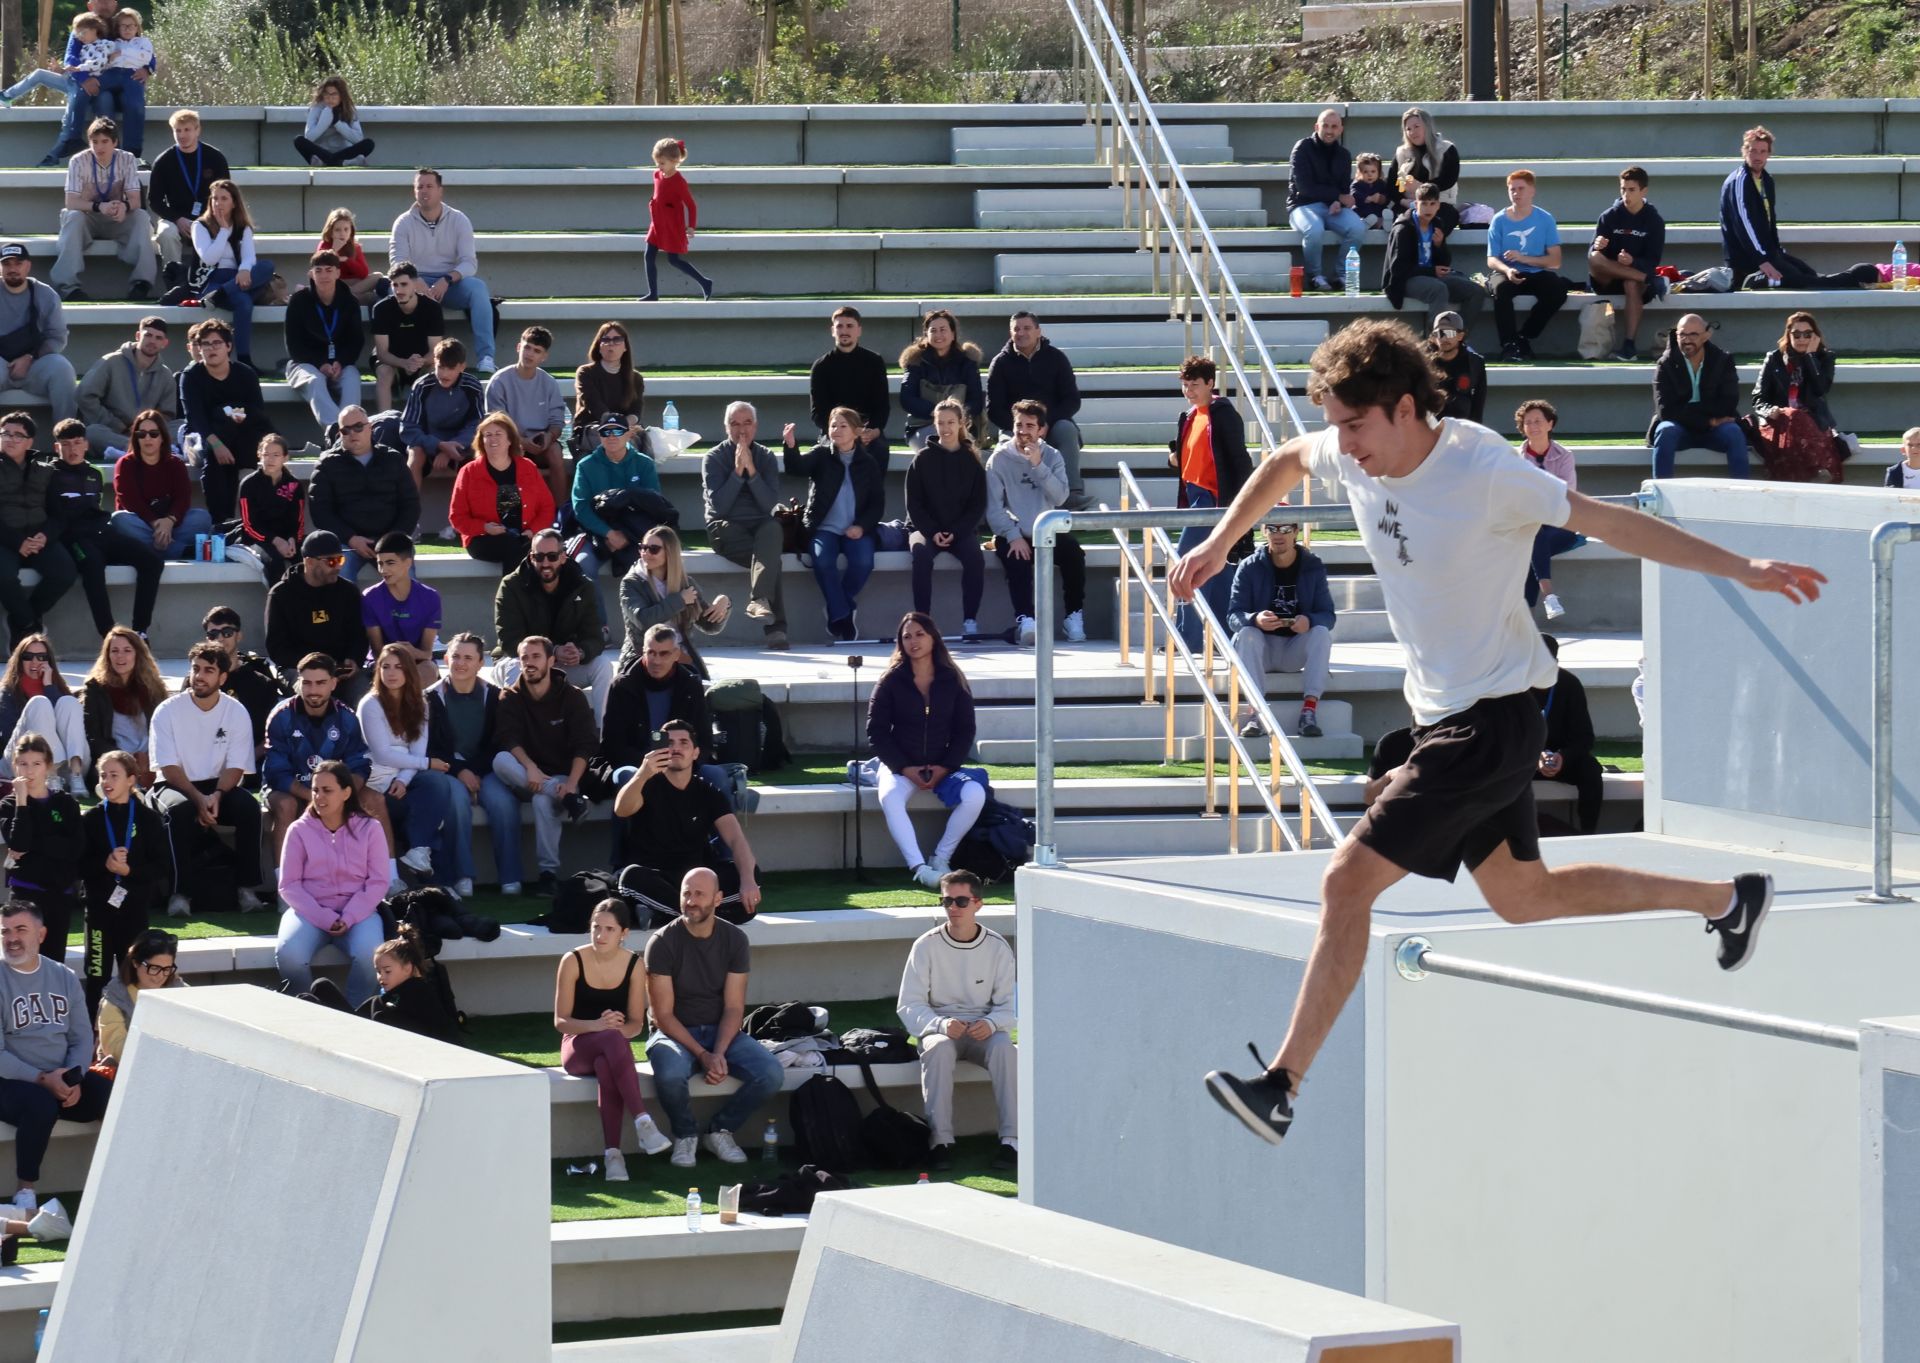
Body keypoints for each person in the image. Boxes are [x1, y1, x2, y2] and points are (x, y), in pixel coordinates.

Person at [1170, 318, 1823, 1146]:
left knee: (1345, 882)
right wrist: (1222, 545)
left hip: (1491, 723)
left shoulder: (1485, 471)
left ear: (1406, 407)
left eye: (1354, 426)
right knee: (1523, 896)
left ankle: (1281, 1085)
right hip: (1444, 713)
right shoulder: (1350, 449)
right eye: (1336, 425)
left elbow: (1611, 523)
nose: (1342, 445)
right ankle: (1729, 900)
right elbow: (1285, 462)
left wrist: (1744, 567)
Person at [643, 866, 783, 1169]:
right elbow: (663, 1015)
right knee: (669, 1074)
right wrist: (703, 1055)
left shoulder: (735, 940)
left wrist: (718, 1052)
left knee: (770, 1072)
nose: (691, 901)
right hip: (673, 1032)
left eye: (699, 894)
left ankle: (720, 1130)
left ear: (718, 899)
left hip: (721, 1030)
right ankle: (685, 1135)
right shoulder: (662, 942)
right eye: (686, 893)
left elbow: (734, 1008)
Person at [896, 869, 1017, 1172]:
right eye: (946, 901)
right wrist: (939, 1024)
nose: (953, 908)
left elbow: (1011, 1006)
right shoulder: (925, 945)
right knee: (937, 1049)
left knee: (1005, 1050)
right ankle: (940, 1141)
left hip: (985, 1029)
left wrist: (989, 1024)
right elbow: (908, 1004)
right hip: (940, 1027)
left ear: (978, 904)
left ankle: (1012, 1141)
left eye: (961, 901)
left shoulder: (997, 947)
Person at [0, 900, 112, 1215]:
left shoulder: (62, 976)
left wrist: (72, 1077)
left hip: (61, 1076)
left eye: (21, 929)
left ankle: (118, 1180)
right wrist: (41, 1079)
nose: (12, 938)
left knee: (109, 1095)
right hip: (11, 1083)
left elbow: (81, 1036)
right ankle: (25, 1193)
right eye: (5, 931)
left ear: (42, 933)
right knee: (40, 1103)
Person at [555, 898, 672, 1181]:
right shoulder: (572, 960)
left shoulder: (634, 964)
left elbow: (635, 1024)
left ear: (624, 933)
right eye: (596, 927)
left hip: (612, 1050)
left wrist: (614, 1031)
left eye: (609, 929)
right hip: (577, 1045)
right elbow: (560, 1021)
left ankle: (613, 1157)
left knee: (608, 1062)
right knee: (609, 1038)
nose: (600, 935)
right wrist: (597, 1025)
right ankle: (643, 1122)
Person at [868, 613, 983, 890]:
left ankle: (941, 858)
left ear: (933, 638)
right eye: (906, 636)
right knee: (890, 798)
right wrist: (904, 768)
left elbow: (965, 730)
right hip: (901, 767)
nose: (913, 641)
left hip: (943, 766)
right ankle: (920, 869)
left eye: (920, 634)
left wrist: (946, 766)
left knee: (975, 795)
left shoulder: (953, 678)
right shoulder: (890, 681)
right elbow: (877, 732)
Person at [150, 640, 266, 917]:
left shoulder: (236, 711)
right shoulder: (167, 710)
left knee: (249, 808)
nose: (200, 676)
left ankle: (247, 890)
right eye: (196, 669)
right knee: (180, 811)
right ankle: (180, 894)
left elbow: (237, 767)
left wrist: (216, 795)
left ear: (222, 677)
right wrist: (198, 798)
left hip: (219, 786)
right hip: (173, 785)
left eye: (208, 670)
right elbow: (167, 767)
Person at [260, 651, 397, 883]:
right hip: (289, 788)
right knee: (286, 805)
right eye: (307, 683)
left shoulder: (347, 718)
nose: (313, 690)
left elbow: (360, 765)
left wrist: (341, 796)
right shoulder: (281, 717)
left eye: (321, 683)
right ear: (298, 683)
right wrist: (313, 797)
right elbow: (276, 772)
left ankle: (391, 879)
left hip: (334, 791)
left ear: (334, 683)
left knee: (374, 800)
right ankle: (285, 884)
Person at [273, 759, 387, 1007]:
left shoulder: (371, 828)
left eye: (327, 790)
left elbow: (378, 881)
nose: (319, 796)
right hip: (309, 912)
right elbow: (289, 884)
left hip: (359, 914)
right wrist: (324, 917)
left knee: (371, 956)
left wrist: (349, 916)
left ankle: (357, 1012)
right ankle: (306, 1010)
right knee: (290, 955)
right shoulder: (298, 830)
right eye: (315, 790)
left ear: (346, 792)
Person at [493, 634, 599, 897]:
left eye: (536, 656)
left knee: (542, 801)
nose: (529, 663)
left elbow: (585, 745)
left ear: (551, 661)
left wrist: (572, 784)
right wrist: (530, 768)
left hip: (563, 775)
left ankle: (547, 874)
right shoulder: (510, 696)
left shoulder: (572, 696)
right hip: (523, 774)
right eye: (524, 658)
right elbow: (508, 738)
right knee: (500, 760)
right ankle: (569, 799)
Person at [360, 642, 469, 895]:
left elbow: (416, 752)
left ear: (409, 671)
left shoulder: (420, 702)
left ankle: (421, 854)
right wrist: (426, 763)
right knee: (427, 800)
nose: (391, 672)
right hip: (374, 784)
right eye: (385, 667)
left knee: (436, 785)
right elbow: (382, 754)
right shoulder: (370, 704)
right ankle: (437, 881)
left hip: (400, 780)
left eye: (398, 667)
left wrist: (405, 780)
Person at [46, 419, 161, 639]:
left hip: (102, 533)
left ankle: (140, 631)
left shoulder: (94, 473)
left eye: (78, 443)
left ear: (86, 445)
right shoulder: (48, 475)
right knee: (92, 566)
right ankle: (110, 637)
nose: (73, 449)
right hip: (73, 538)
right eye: (66, 444)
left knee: (152, 561)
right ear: (56, 447)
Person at [427, 632, 523, 894]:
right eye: (456, 656)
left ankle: (511, 877)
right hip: (449, 771)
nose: (461, 663)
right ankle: (463, 875)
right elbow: (430, 746)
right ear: (446, 658)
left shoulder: (494, 696)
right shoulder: (431, 698)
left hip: (486, 769)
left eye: (468, 658)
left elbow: (498, 742)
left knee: (503, 803)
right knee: (456, 803)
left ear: (481, 663)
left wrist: (475, 772)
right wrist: (461, 772)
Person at [1720, 126, 1872, 291]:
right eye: (1753, 151)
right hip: (1748, 261)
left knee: (1809, 274)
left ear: (1769, 154)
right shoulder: (1740, 182)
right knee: (1803, 282)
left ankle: (1853, 277)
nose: (1758, 156)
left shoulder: (1766, 180)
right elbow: (1744, 225)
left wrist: (1777, 253)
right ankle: (1855, 277)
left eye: (1763, 151)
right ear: (1744, 151)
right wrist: (1762, 261)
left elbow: (1769, 222)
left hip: (1768, 254)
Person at [1168, 355, 1253, 649]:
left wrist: (1242, 508)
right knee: (1218, 571)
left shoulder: (1223, 414)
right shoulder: (1189, 416)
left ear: (1210, 383)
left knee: (1185, 564)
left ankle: (1187, 638)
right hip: (1194, 495)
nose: (1189, 390)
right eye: (1185, 385)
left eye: (1195, 385)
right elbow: (1187, 459)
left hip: (1213, 498)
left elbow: (1241, 461)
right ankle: (1227, 638)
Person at [987, 399, 1084, 646]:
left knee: (1074, 554)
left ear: (1042, 430)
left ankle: (1074, 615)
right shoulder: (999, 459)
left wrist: (1038, 465)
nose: (1023, 431)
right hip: (1014, 531)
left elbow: (1061, 496)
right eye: (1019, 425)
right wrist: (1013, 535)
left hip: (1047, 530)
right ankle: (1026, 619)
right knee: (1017, 559)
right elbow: (994, 509)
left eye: (1030, 426)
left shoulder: (1053, 456)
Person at [783, 409, 886, 642]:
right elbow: (795, 468)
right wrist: (790, 446)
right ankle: (843, 613)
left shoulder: (868, 463)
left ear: (856, 431)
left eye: (842, 426)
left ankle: (837, 607)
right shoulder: (821, 455)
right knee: (823, 560)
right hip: (824, 528)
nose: (836, 430)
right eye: (833, 425)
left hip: (856, 529)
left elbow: (877, 505)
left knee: (862, 562)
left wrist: (861, 526)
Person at [1227, 520, 1336, 740]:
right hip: (1261, 649)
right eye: (1272, 529)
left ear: (1295, 532)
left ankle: (1309, 710)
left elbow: (1328, 615)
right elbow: (1233, 615)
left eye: (1285, 529)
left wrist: (1309, 620)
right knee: (1247, 633)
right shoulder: (1250, 566)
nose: (1279, 535)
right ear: (1263, 531)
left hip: (1293, 650)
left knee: (1321, 632)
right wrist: (1255, 619)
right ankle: (1256, 713)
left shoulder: (1312, 565)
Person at [493, 527, 614, 719]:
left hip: (564, 665)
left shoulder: (583, 586)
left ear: (563, 557)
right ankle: (514, 740)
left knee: (603, 666)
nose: (545, 563)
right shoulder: (512, 585)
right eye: (539, 557)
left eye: (552, 556)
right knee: (516, 667)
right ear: (531, 557)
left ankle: (603, 738)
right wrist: (552, 651)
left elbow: (594, 636)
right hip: (521, 659)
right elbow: (509, 640)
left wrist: (581, 652)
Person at [79, 750, 166, 1013]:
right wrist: (105, 865)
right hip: (98, 913)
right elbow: (78, 865)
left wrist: (129, 871)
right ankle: (94, 1040)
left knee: (136, 977)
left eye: (114, 775)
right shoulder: (91, 819)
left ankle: (134, 1033)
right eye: (103, 775)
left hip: (134, 913)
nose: (107, 781)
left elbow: (161, 868)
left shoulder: (148, 819)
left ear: (131, 779)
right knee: (97, 976)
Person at [601, 624, 730, 795]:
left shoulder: (691, 685)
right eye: (651, 653)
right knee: (627, 776)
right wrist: (651, 764)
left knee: (717, 776)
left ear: (676, 655)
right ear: (643, 652)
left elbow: (704, 741)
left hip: (682, 763)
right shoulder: (622, 686)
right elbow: (612, 745)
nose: (656, 660)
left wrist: (681, 764)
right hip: (637, 765)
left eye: (664, 653)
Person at [388, 169, 495, 374]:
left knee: (478, 288)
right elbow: (397, 261)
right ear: (414, 191)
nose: (424, 191)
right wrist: (416, 281)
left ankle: (486, 357)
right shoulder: (403, 222)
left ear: (440, 191)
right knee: (391, 293)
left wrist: (447, 279)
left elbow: (469, 263)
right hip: (415, 282)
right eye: (419, 187)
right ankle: (394, 360)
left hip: (449, 283)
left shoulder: (459, 219)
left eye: (429, 186)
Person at [702, 401, 786, 650]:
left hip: (760, 525)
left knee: (773, 529)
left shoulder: (766, 457)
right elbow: (720, 507)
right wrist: (739, 472)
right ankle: (776, 629)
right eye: (735, 424)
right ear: (726, 427)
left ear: (756, 426)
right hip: (725, 528)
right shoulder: (714, 458)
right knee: (771, 559)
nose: (741, 430)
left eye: (747, 423)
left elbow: (768, 504)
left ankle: (760, 600)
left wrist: (753, 470)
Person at [307, 404, 421, 580]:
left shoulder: (393, 459)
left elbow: (410, 505)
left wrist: (390, 539)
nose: (353, 433)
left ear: (370, 428)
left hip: (390, 540)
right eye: (346, 430)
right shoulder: (327, 465)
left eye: (358, 427)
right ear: (340, 434)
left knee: (405, 585)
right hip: (346, 544)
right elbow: (320, 512)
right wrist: (351, 538)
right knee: (340, 582)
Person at [986, 311, 1086, 509]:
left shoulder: (1057, 358)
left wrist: (1045, 423)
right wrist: (1021, 428)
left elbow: (1072, 400)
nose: (1021, 333)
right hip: (1013, 427)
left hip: (1052, 424)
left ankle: (1071, 494)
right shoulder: (1000, 363)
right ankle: (1007, 502)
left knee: (1067, 430)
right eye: (1016, 329)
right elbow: (993, 408)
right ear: (1010, 333)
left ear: (1039, 331)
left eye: (1027, 328)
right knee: (1006, 447)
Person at [905, 398, 988, 637]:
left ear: (961, 423)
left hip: (960, 530)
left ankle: (970, 621)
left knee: (975, 559)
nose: (945, 427)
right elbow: (914, 504)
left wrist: (956, 532)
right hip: (925, 529)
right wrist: (932, 532)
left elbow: (977, 505)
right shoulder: (922, 459)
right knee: (921, 556)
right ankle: (923, 622)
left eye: (951, 422)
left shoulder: (972, 460)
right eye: (940, 422)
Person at [51, 117, 155, 303]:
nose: (100, 147)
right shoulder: (78, 161)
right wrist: (99, 206)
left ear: (115, 142)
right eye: (95, 141)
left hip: (116, 218)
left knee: (140, 216)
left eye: (105, 141)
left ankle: (142, 283)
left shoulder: (127, 159)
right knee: (73, 217)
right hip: (87, 217)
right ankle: (68, 287)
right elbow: (71, 201)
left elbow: (135, 200)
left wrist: (125, 206)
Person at [177, 315, 267, 524]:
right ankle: (221, 520)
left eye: (216, 343)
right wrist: (217, 444)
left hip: (241, 432)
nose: (210, 348)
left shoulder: (245, 374)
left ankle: (253, 523)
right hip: (204, 437)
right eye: (205, 344)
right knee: (216, 451)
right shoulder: (191, 376)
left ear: (228, 346)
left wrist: (239, 416)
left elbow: (258, 412)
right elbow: (195, 418)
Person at [0, 415, 79, 648]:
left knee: (65, 572)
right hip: (5, 539)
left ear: (29, 441)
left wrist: (45, 536)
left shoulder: (46, 469)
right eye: (5, 434)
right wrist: (17, 542)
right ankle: (29, 626)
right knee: (3, 575)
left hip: (39, 538)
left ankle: (22, 619)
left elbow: (59, 514)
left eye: (17, 435)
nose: (10, 439)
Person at [0, 733, 84, 951]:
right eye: (23, 764)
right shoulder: (9, 805)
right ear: (14, 766)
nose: (29, 771)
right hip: (25, 892)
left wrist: (35, 842)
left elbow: (75, 849)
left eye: (36, 764)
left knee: (54, 960)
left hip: (60, 893)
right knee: (22, 959)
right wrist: (21, 802)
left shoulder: (65, 803)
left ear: (48, 766)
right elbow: (19, 844)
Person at [265, 531, 372, 703]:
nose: (338, 567)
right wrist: (317, 667)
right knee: (310, 692)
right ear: (309, 562)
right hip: (299, 669)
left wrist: (353, 659)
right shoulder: (281, 594)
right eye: (332, 561)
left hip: (341, 671)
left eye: (341, 560)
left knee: (367, 697)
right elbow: (277, 649)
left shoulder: (348, 592)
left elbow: (359, 636)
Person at [1747, 311, 1845, 483]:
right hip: (1778, 423)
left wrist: (1810, 357)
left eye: (1807, 334)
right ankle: (1817, 473)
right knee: (1792, 415)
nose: (1801, 339)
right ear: (1788, 335)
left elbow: (1821, 389)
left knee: (1797, 417)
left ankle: (1792, 482)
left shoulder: (1825, 358)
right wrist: (1771, 410)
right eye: (1796, 334)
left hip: (1813, 423)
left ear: (1815, 336)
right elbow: (1758, 398)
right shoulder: (1774, 358)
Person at [451, 411, 556, 572]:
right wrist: (485, 527)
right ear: (481, 441)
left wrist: (532, 530)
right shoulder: (469, 472)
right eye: (488, 435)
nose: (493, 439)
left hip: (526, 535)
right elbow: (457, 517)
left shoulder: (528, 467)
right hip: (483, 538)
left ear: (509, 440)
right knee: (515, 547)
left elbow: (547, 507)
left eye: (498, 434)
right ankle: (512, 596)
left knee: (545, 550)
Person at [617, 527, 728, 678]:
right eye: (642, 547)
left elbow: (710, 625)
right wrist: (679, 600)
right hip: (645, 656)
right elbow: (643, 620)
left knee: (697, 689)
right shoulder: (632, 583)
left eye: (653, 549)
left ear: (670, 552)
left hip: (679, 655)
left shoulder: (685, 583)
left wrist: (724, 604)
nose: (645, 553)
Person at [403, 338, 488, 535]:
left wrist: (454, 446)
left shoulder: (472, 387)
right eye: (440, 367)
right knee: (414, 454)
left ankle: (462, 524)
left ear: (462, 366)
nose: (444, 373)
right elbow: (408, 428)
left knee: (476, 460)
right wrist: (439, 446)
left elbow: (477, 424)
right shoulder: (422, 386)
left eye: (450, 368)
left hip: (459, 446)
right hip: (428, 444)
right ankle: (410, 522)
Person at [1485, 169, 1570, 362]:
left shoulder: (1545, 219)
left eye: (1521, 188)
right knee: (1501, 290)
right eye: (1512, 189)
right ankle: (1508, 344)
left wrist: (1523, 259)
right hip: (1506, 272)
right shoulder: (1499, 220)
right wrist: (1507, 269)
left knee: (1557, 290)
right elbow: (1491, 259)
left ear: (1532, 190)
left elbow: (1555, 261)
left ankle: (1524, 337)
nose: (1516, 193)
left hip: (1534, 270)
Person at [1649, 313, 1748, 480]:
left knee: (1734, 432)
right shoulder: (1665, 364)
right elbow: (1666, 411)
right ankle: (1660, 496)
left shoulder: (1723, 360)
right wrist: (1708, 420)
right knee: (1665, 431)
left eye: (1693, 334)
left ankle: (1743, 495)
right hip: (1681, 428)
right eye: (1682, 334)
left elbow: (1728, 403)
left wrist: (1690, 412)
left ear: (1706, 335)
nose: (1687, 340)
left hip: (1714, 429)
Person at [572, 411, 666, 586]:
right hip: (596, 533)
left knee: (656, 563)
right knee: (582, 566)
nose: (611, 437)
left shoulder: (644, 463)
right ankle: (594, 615)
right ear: (599, 436)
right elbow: (581, 507)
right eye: (606, 432)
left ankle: (647, 613)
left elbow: (654, 504)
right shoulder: (586, 465)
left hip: (636, 533)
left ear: (629, 434)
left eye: (617, 431)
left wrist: (628, 536)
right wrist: (608, 533)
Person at [189, 179, 273, 372]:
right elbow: (209, 258)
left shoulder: (243, 227)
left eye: (224, 198)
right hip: (213, 280)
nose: (218, 203)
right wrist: (223, 231)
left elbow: (249, 256)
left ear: (234, 202)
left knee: (267, 266)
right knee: (243, 302)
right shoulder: (200, 226)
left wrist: (244, 269)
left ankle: (220, 296)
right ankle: (244, 360)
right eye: (215, 198)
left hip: (237, 280)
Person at [1587, 166, 1668, 363]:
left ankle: (1629, 345)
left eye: (1631, 190)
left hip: (1634, 277)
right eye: (1623, 189)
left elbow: (1652, 261)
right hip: (1608, 277)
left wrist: (1634, 262)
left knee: (1631, 283)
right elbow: (1594, 257)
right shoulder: (1609, 216)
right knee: (1595, 257)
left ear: (1644, 191)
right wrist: (1598, 246)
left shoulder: (1654, 221)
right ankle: (1648, 280)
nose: (1626, 194)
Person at [485, 325, 569, 512]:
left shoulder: (549, 383)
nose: (530, 354)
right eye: (527, 347)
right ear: (518, 347)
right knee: (513, 453)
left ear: (544, 356)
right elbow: (497, 423)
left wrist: (549, 437)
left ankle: (562, 513)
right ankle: (512, 512)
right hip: (509, 443)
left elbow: (556, 422)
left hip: (541, 443)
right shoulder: (500, 381)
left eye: (537, 351)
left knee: (555, 451)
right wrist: (521, 441)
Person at [1287, 108, 1368, 293]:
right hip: (1302, 206)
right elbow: (1304, 188)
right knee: (1314, 230)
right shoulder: (1302, 148)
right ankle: (1315, 276)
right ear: (1317, 126)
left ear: (1341, 129)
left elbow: (1343, 189)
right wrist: (1337, 197)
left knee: (1357, 228)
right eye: (1325, 125)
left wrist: (1338, 202)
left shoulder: (1344, 155)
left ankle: (1341, 275)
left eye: (1334, 126)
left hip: (1332, 207)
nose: (1329, 131)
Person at [147, 110, 228, 291]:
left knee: (224, 232)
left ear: (197, 130)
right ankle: (175, 284)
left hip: (209, 216)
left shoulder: (215, 158)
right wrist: (177, 219)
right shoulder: (163, 161)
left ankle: (213, 286)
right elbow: (154, 200)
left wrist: (207, 219)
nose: (182, 135)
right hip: (176, 218)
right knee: (166, 234)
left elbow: (226, 195)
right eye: (178, 131)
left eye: (187, 130)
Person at [284, 249, 365, 429]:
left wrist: (341, 362)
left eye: (329, 270)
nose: (324, 275)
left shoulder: (350, 302)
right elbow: (294, 346)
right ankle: (338, 432)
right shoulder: (299, 301)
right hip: (304, 363)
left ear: (338, 272)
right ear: (311, 274)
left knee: (352, 377)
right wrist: (320, 363)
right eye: (318, 270)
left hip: (339, 364)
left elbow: (356, 341)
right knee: (315, 380)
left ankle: (352, 428)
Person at [0, 243, 78, 425]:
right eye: (7, 264)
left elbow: (57, 337)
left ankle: (66, 438)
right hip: (1, 363)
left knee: (62, 369)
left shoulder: (46, 295)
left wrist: (30, 357)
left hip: (35, 363)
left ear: (28, 265)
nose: (12, 269)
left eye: (18, 263)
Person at [1383, 184, 1479, 332]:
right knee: (1438, 289)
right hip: (1406, 279)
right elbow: (1398, 269)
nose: (1428, 208)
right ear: (1416, 204)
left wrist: (1440, 245)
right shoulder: (1404, 228)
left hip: (1431, 276)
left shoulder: (1437, 224)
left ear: (1438, 205)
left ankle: (1458, 341)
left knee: (1475, 291)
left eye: (1432, 203)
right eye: (1424, 204)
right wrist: (1431, 271)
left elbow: (1444, 263)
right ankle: (1434, 345)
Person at [1515, 400, 1580, 620]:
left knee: (1533, 542)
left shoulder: (1565, 455)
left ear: (1550, 424)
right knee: (1535, 536)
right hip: (1530, 524)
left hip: (1561, 523)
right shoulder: (1515, 458)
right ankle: (1549, 597)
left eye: (1538, 421)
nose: (1533, 426)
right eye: (1528, 422)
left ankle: (1526, 617)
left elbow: (1567, 493)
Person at [1534, 634, 1604, 835]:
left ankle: (1588, 834)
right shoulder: (1513, 686)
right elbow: (1507, 738)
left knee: (1590, 770)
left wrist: (1562, 757)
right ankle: (1506, 838)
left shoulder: (1568, 684)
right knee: (1499, 770)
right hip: (1525, 759)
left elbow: (1584, 737)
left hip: (1561, 759)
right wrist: (1536, 755)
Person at [76, 314, 173, 457]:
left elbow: (167, 414)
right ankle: (137, 450)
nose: (152, 341)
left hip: (148, 434)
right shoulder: (111, 362)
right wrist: (118, 425)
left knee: (181, 426)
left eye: (158, 338)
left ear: (164, 343)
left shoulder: (165, 374)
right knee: (91, 433)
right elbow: (84, 396)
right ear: (138, 335)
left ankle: (135, 450)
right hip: (114, 431)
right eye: (148, 335)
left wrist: (149, 431)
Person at [0, 638, 87, 796]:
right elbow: (8, 735)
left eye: (41, 657)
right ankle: (50, 774)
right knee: (39, 704)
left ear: (49, 661)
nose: (35, 661)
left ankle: (76, 775)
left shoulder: (57, 688)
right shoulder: (8, 692)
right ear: (19, 660)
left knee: (68, 702)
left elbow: (72, 732)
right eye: (28, 656)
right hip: (23, 762)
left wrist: (48, 685)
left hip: (65, 769)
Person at [202, 606, 290, 760]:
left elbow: (272, 735)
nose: (220, 638)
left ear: (239, 636)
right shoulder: (197, 682)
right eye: (213, 634)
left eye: (227, 632)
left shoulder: (261, 683)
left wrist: (244, 761)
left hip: (251, 764)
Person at [79, 627, 162, 787]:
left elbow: (164, 730)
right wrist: (123, 758)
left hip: (149, 759)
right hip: (114, 759)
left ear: (137, 654)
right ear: (107, 655)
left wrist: (148, 758)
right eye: (114, 650)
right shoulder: (96, 689)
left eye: (127, 650)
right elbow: (93, 737)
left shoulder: (153, 687)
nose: (120, 656)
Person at [362, 532, 441, 689]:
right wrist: (397, 655)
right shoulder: (370, 597)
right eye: (380, 563)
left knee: (428, 670)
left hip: (416, 662)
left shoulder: (430, 597)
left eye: (390, 563)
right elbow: (377, 651)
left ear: (408, 563)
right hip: (382, 663)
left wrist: (412, 652)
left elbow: (426, 653)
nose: (383, 569)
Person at [899, 309, 984, 450]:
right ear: (926, 334)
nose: (938, 335)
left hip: (960, 426)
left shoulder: (967, 362)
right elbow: (907, 398)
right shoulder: (915, 361)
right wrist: (937, 413)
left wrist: (954, 418)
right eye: (933, 330)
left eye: (943, 330)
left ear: (953, 334)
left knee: (956, 441)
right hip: (923, 426)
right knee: (937, 441)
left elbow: (975, 401)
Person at [95, 927, 181, 1067]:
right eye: (154, 968)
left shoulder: (178, 988)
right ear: (135, 962)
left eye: (167, 969)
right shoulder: (115, 995)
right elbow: (115, 1049)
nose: (160, 976)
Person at [642, 137, 714, 302]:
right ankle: (653, 294)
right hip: (657, 223)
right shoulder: (657, 175)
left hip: (671, 225)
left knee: (673, 259)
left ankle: (705, 282)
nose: (658, 167)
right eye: (657, 163)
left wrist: (691, 226)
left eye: (662, 163)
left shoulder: (679, 182)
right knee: (648, 255)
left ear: (674, 161)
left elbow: (691, 205)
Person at [370, 263, 444, 412]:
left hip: (422, 361)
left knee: (436, 370)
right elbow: (382, 353)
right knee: (384, 372)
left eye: (404, 284)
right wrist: (404, 363)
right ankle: (384, 422)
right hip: (393, 361)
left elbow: (436, 351)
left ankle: (428, 423)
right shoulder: (381, 309)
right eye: (395, 285)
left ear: (415, 284)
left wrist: (418, 362)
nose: (399, 290)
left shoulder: (432, 308)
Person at [364, 926, 459, 1042]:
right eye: (378, 972)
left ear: (407, 968)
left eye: (387, 971)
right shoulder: (407, 990)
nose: (381, 977)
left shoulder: (416, 993)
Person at [808, 305, 889, 438]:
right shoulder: (821, 366)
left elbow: (882, 405)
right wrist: (842, 432)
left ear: (859, 330)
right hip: (834, 433)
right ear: (832, 330)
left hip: (867, 432)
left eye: (850, 326)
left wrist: (873, 430)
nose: (844, 331)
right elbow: (818, 413)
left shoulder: (875, 362)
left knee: (877, 454)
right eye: (839, 326)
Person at [233, 432, 304, 584]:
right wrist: (275, 541)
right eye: (266, 454)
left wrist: (292, 540)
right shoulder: (249, 484)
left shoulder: (294, 485)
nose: (270, 459)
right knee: (274, 562)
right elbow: (249, 525)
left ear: (285, 457)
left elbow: (298, 520)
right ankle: (278, 602)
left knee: (306, 560)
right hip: (258, 539)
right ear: (259, 456)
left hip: (287, 538)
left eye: (276, 455)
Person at [572, 322, 645, 455]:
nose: (611, 343)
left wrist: (624, 427)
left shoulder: (635, 378)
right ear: (599, 346)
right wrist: (617, 428)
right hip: (593, 428)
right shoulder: (585, 372)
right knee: (621, 443)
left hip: (625, 428)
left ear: (625, 347)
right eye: (605, 339)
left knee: (643, 440)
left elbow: (636, 411)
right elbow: (594, 405)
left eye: (617, 340)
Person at [1391, 106, 1462, 236]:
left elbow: (1449, 179)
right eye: (1408, 129)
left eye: (1417, 126)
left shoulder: (1447, 149)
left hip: (1440, 204)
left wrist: (1421, 188)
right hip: (1409, 205)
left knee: (1436, 225)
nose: (1412, 132)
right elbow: (1393, 186)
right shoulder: (1401, 153)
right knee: (1403, 228)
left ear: (1427, 126)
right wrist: (1404, 201)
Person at [293, 75, 373, 167]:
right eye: (326, 94)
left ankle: (330, 161)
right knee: (298, 140)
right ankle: (341, 162)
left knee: (369, 144)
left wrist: (338, 123)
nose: (330, 98)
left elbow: (358, 139)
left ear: (341, 96)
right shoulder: (317, 108)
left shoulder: (349, 109)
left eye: (334, 94)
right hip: (321, 152)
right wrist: (324, 122)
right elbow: (309, 137)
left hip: (344, 152)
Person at [1427, 310, 1485, 424]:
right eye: (1439, 333)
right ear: (1434, 337)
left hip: (1462, 426)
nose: (1444, 338)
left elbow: (1478, 403)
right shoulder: (1425, 361)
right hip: (1430, 426)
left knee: (1462, 402)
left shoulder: (1474, 363)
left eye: (1449, 333)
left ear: (1460, 336)